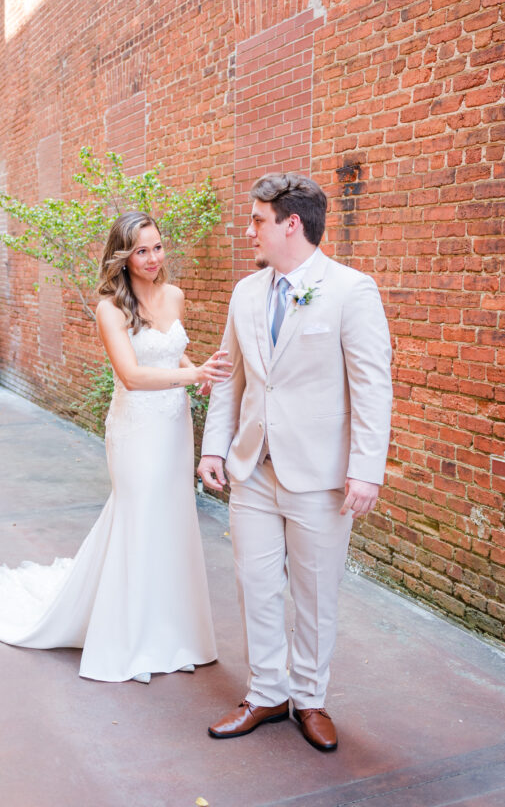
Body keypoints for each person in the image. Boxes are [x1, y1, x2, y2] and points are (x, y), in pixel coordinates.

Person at [0, 210, 230, 683]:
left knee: (173, 519)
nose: (153, 257)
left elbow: (167, 346)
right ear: (123, 256)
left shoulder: (174, 296)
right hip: (137, 428)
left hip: (174, 425)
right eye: (141, 250)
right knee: (139, 518)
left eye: (158, 247)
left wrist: (197, 371)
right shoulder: (109, 308)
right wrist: (191, 375)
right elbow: (133, 376)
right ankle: (130, 638)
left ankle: (176, 632)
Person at [198, 172, 392, 750]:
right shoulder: (245, 292)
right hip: (253, 469)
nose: (249, 229)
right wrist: (213, 447)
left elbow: (372, 387)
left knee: (314, 592)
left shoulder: (352, 291)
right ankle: (266, 692)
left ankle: (309, 697)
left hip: (322, 477)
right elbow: (231, 379)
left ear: (291, 224)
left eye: (257, 219)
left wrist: (366, 468)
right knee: (255, 586)